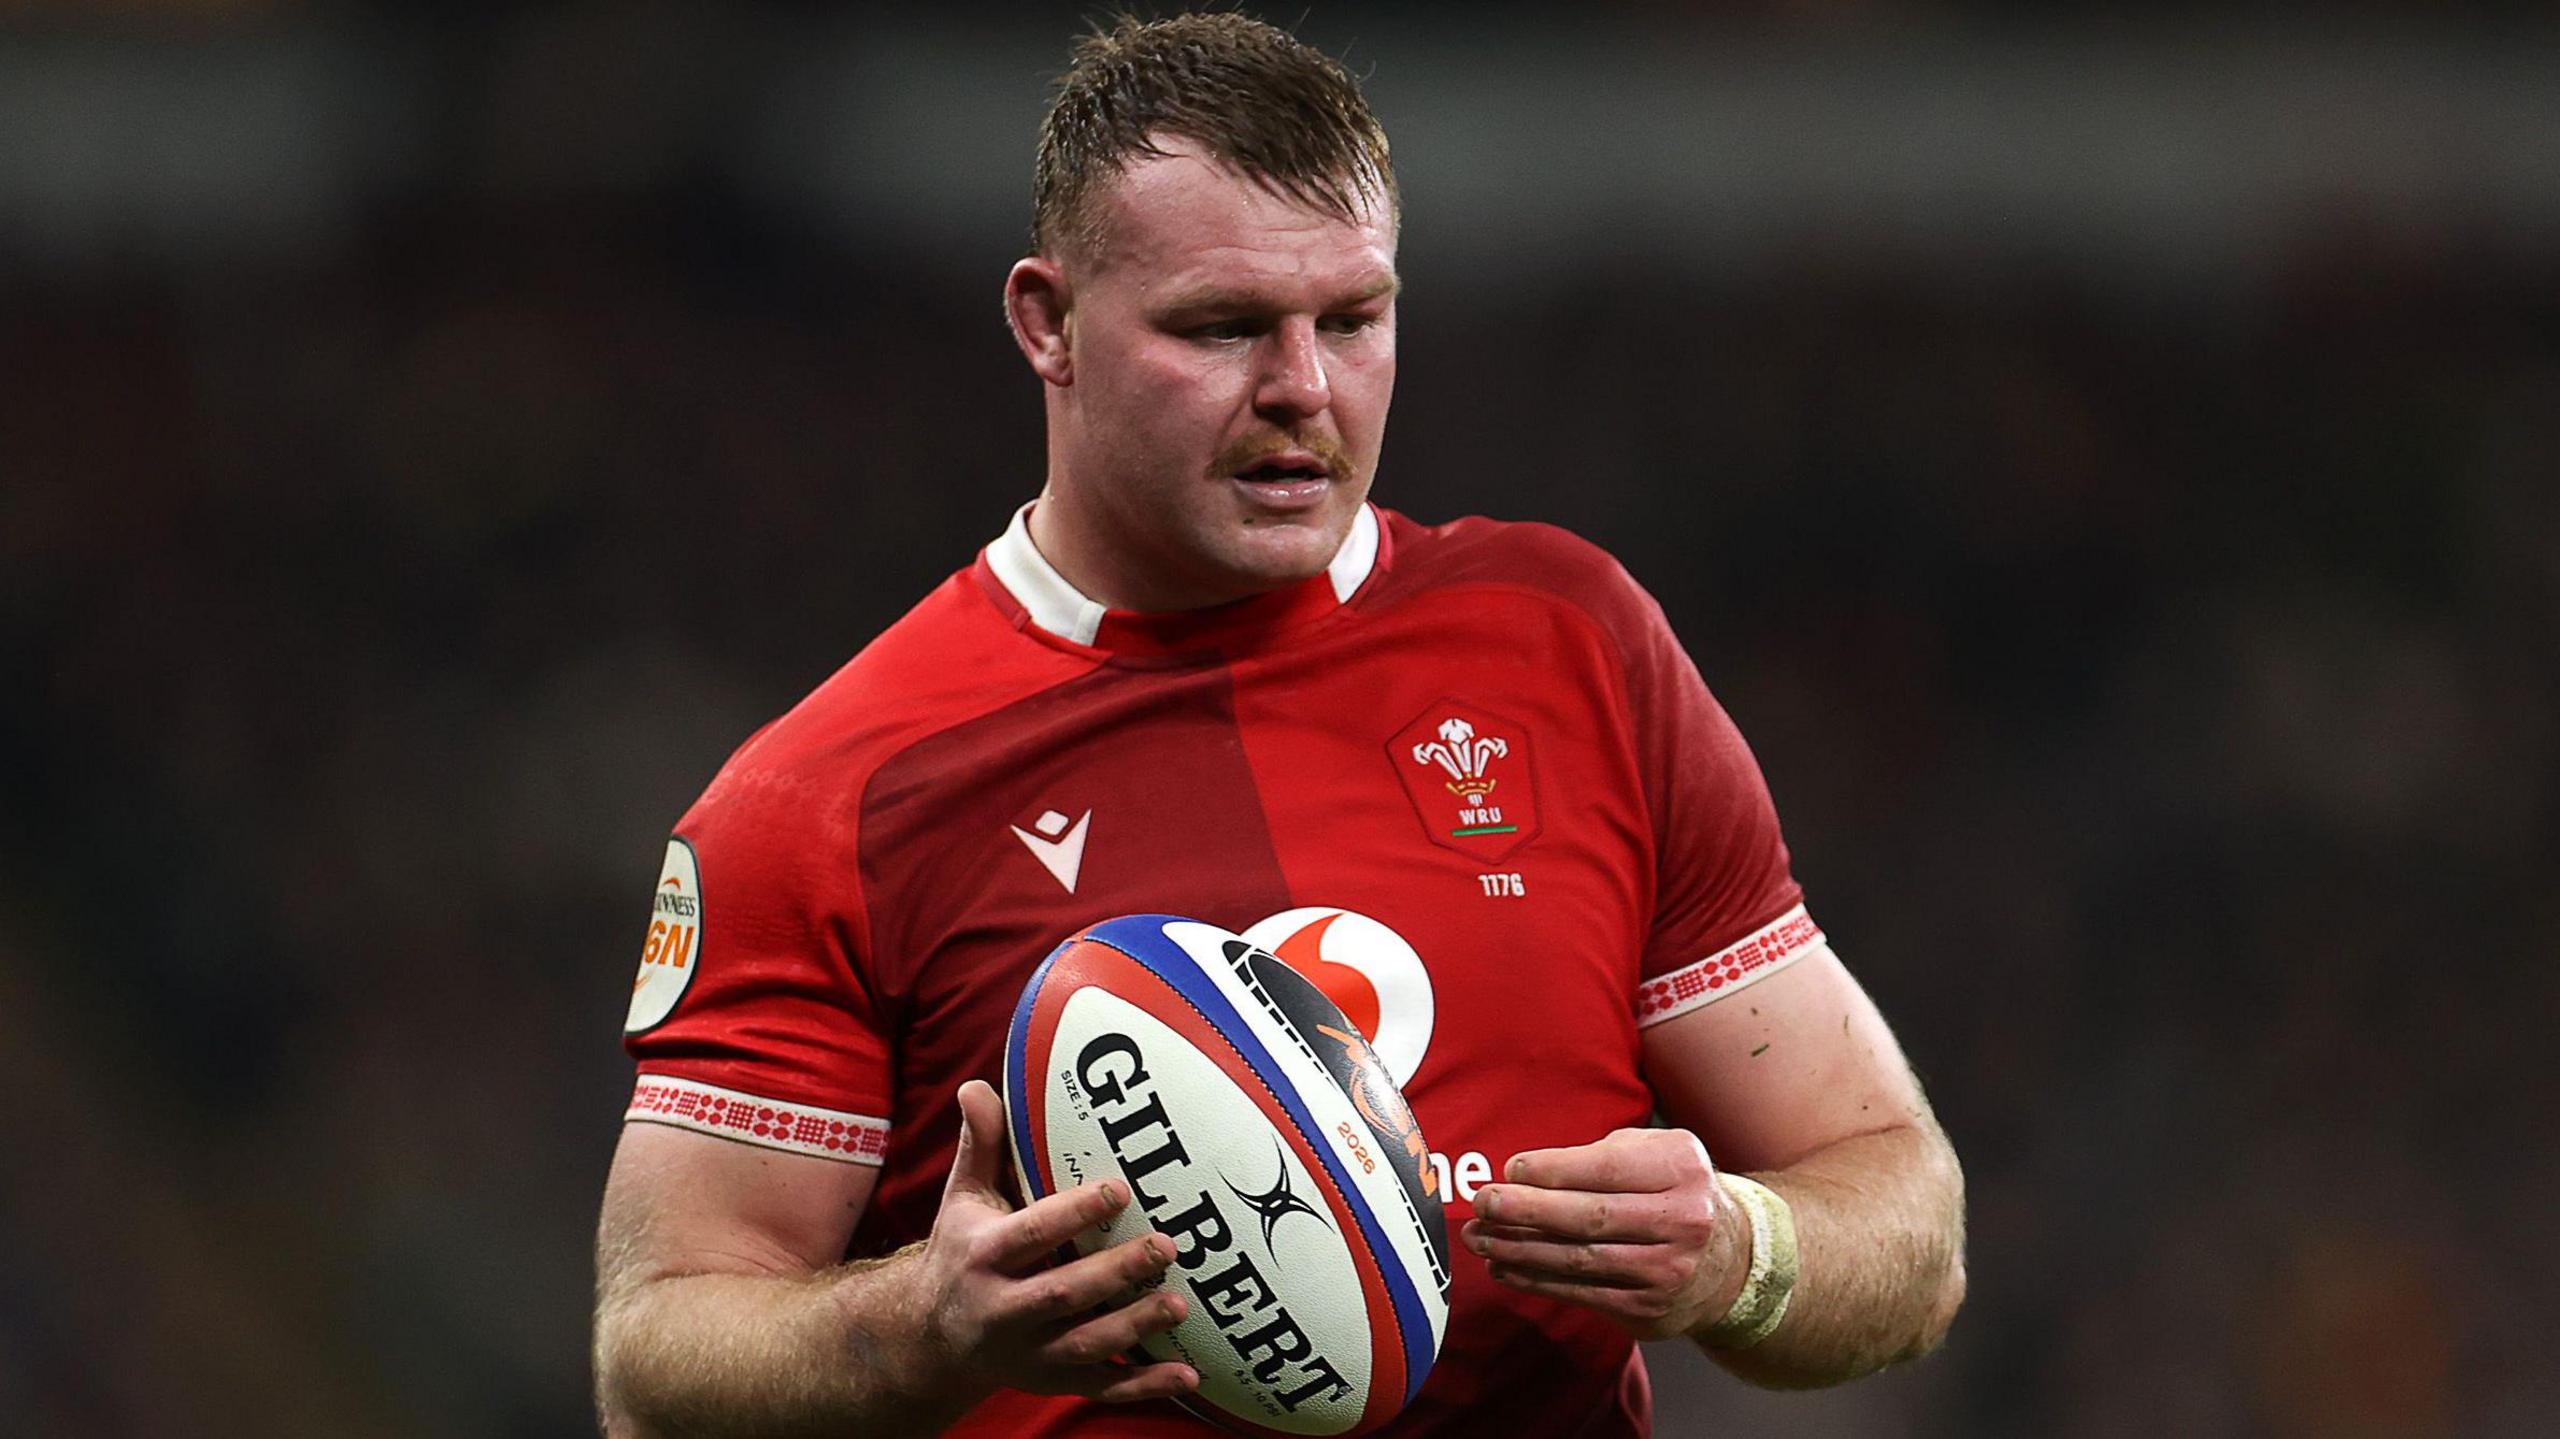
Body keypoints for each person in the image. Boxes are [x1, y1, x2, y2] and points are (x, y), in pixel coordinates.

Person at [592, 13, 1964, 1436]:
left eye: (1354, 318)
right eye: (1224, 325)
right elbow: (656, 1361)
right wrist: (920, 1329)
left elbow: (1898, 1214)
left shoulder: (1572, 644)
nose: (1303, 387)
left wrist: (1745, 1256)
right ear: (1046, 325)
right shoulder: (832, 797)